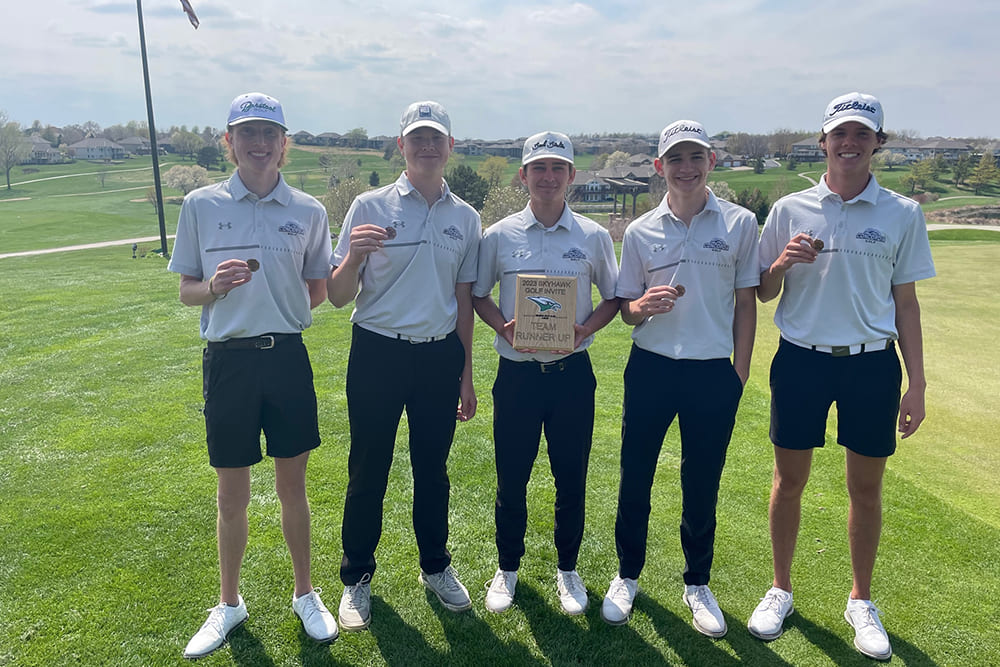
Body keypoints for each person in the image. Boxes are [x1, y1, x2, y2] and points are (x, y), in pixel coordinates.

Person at [748, 92, 935, 661]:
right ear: (823, 140)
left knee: (866, 487)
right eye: (840, 134)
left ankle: (860, 599)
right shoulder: (789, 208)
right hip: (800, 358)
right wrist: (780, 264)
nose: (849, 144)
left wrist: (918, 383)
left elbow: (906, 305)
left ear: (879, 142)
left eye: (862, 134)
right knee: (790, 480)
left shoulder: (902, 213)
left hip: (873, 363)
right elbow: (762, 290)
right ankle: (780, 587)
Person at [169, 92, 338, 660]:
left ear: (284, 143)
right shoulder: (199, 204)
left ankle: (305, 593)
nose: (260, 143)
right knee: (231, 492)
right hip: (230, 361)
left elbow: (317, 289)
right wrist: (213, 288)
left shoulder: (309, 211)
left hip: (287, 356)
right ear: (229, 142)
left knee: (294, 486)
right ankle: (230, 602)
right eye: (248, 133)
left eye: (270, 133)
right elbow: (188, 287)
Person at [601, 120, 759, 637]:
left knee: (702, 481)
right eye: (675, 159)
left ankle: (697, 583)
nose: (686, 168)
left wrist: (740, 371)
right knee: (636, 475)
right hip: (651, 366)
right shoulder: (642, 230)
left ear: (711, 161)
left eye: (695, 157)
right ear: (659, 167)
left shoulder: (739, 224)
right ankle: (627, 575)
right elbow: (627, 309)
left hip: (713, 372)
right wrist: (641, 307)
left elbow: (744, 303)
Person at [327, 100, 480, 631]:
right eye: (417, 138)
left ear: (450, 147)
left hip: (438, 355)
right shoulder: (369, 205)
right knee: (368, 468)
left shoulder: (467, 217)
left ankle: (435, 566)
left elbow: (463, 301)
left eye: (436, 138)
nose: (428, 147)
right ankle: (355, 579)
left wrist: (465, 373)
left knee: (432, 471)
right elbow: (337, 296)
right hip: (377, 351)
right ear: (401, 146)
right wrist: (353, 258)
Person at [472, 132, 619, 615]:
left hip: (572, 375)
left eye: (558, 168)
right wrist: (503, 326)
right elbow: (479, 295)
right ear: (523, 176)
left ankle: (567, 570)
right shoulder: (498, 235)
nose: (549, 177)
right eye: (539, 168)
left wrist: (584, 329)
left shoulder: (594, 237)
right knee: (510, 477)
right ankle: (507, 568)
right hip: (517, 377)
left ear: (572, 176)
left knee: (570, 477)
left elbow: (613, 298)